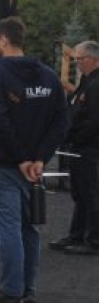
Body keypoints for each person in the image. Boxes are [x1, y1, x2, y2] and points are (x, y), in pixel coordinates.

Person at [0, 17, 69, 303]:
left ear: (4, 41)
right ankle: (27, 288)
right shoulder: (49, 76)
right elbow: (60, 122)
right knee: (30, 228)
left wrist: (22, 159)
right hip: (34, 169)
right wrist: (40, 158)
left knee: (10, 228)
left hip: (6, 165)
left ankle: (11, 292)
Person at [52, 40, 99, 255]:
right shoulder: (87, 81)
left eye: (80, 58)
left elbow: (94, 121)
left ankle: (94, 240)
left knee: (90, 193)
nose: (77, 62)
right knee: (80, 193)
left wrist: (75, 138)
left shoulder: (96, 84)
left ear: (92, 59)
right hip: (80, 147)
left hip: (89, 148)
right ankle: (76, 234)